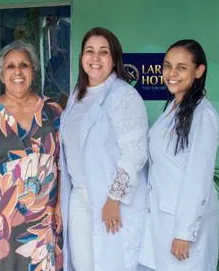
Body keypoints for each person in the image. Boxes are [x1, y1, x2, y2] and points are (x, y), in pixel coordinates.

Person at [0, 40, 63, 271]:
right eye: (10, 66)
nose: (18, 72)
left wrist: (61, 208)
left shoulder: (53, 112)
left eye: (24, 65)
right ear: (1, 73)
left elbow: (62, 166)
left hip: (41, 224)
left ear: (33, 71)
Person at [59, 27, 149, 271]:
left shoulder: (125, 96)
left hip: (110, 200)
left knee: (111, 263)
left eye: (103, 52)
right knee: (83, 264)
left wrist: (113, 199)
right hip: (78, 196)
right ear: (81, 57)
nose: (95, 58)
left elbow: (135, 153)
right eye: (89, 51)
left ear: (114, 58)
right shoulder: (77, 95)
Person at [139, 40, 219, 270]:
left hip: (182, 229)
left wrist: (185, 233)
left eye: (181, 67)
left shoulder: (204, 115)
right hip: (161, 221)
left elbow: (198, 177)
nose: (171, 73)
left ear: (199, 71)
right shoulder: (172, 108)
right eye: (167, 66)